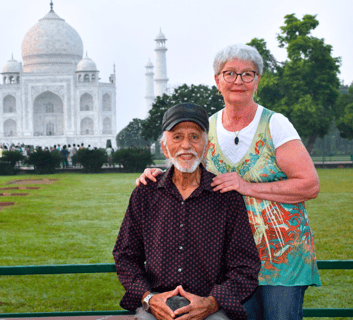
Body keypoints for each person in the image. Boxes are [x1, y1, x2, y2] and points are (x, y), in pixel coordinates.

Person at [137, 44, 321, 320]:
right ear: (217, 80)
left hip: (282, 260)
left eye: (248, 74)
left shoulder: (275, 125)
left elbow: (309, 185)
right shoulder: (205, 129)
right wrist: (152, 175)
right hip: (229, 265)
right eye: (230, 73)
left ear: (257, 80)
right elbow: (183, 170)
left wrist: (247, 187)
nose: (238, 81)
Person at [114, 103, 261, 320]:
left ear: (206, 146)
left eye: (194, 137)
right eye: (177, 137)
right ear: (165, 147)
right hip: (157, 304)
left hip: (210, 306)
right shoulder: (146, 193)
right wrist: (149, 299)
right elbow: (125, 256)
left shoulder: (226, 196)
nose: (186, 145)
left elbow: (245, 265)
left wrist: (211, 303)